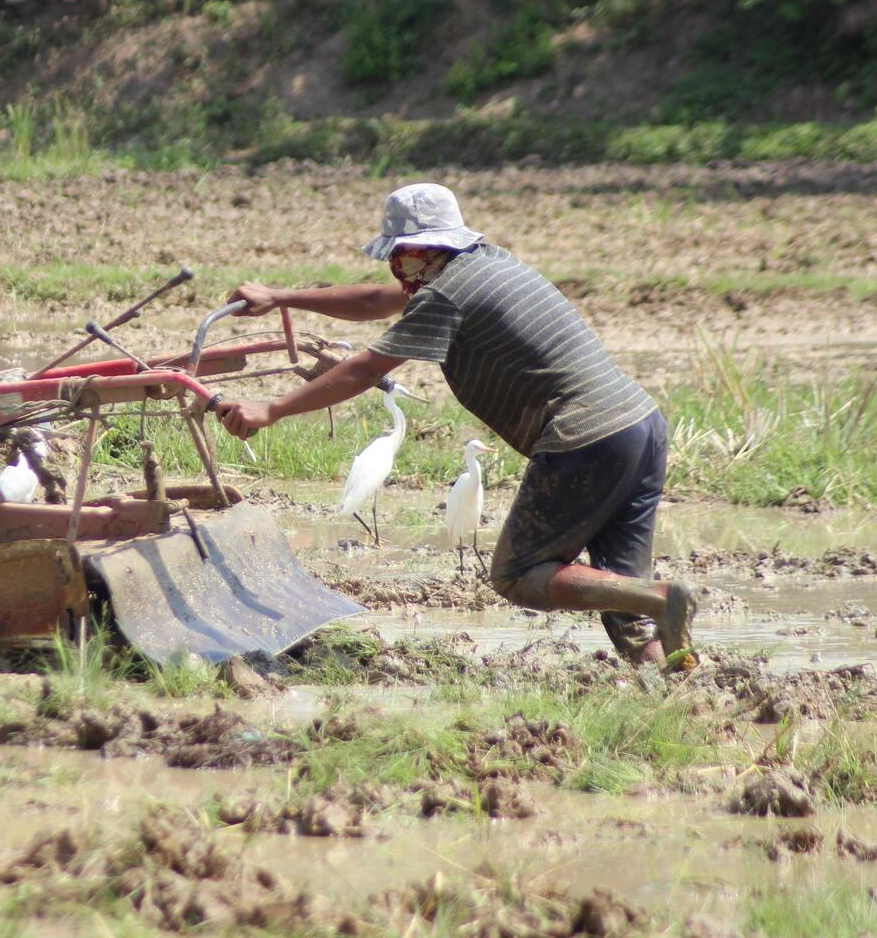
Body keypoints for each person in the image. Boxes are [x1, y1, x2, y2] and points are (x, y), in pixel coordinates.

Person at [214, 183, 697, 669]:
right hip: (641, 425)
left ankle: (660, 597)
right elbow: (376, 301)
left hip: (586, 437)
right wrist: (281, 297)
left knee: (518, 573)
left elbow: (364, 369)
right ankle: (678, 685)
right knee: (623, 591)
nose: (398, 266)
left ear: (418, 251)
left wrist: (271, 409)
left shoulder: (446, 295)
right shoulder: (487, 263)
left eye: (402, 253)